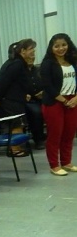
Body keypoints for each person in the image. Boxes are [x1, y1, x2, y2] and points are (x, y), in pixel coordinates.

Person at [39, 33, 77, 176]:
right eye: (57, 46)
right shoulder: (47, 63)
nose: (61, 48)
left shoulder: (73, 60)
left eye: (64, 45)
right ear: (51, 47)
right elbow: (47, 86)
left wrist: (76, 98)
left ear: (68, 45)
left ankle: (66, 162)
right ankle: (54, 165)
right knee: (55, 134)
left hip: (73, 100)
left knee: (69, 133)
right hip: (54, 101)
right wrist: (64, 100)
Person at [0, 38, 37, 156]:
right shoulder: (16, 64)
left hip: (15, 99)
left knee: (18, 123)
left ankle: (17, 148)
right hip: (10, 101)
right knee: (16, 124)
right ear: (22, 51)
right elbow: (3, 83)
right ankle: (15, 150)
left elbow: (20, 82)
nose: (33, 51)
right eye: (31, 49)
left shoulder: (17, 63)